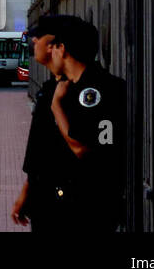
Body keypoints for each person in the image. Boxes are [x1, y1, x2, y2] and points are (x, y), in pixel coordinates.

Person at [11, 14, 126, 233]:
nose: (41, 48)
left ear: (61, 48)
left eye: (51, 46)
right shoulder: (60, 88)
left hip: (84, 207)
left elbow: (85, 149)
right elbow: (43, 151)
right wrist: (29, 191)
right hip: (53, 202)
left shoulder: (101, 90)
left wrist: (57, 108)